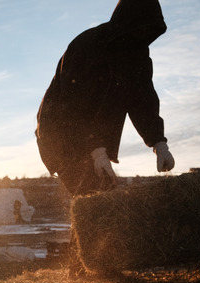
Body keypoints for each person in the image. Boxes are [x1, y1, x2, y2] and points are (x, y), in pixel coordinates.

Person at [36, 0, 174, 196]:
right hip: (61, 132)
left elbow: (143, 100)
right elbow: (74, 105)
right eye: (139, 27)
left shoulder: (137, 56)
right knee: (90, 192)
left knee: (105, 192)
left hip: (94, 137)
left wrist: (159, 143)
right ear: (128, 22)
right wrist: (97, 151)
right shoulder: (87, 46)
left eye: (148, 29)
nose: (143, 34)